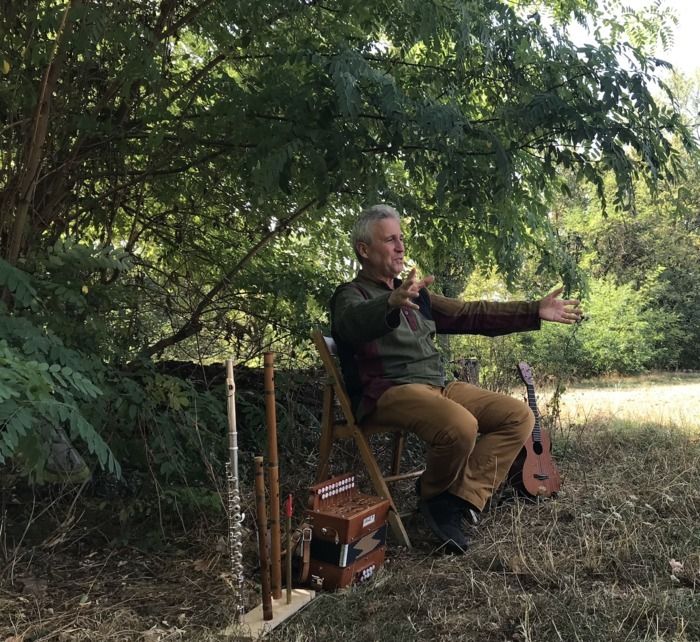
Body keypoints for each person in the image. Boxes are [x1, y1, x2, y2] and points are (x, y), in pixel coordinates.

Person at [330, 204, 582, 553]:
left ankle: (457, 500)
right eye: (390, 240)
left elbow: (469, 314)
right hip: (389, 391)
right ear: (364, 250)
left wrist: (533, 310)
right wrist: (389, 303)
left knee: (518, 416)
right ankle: (434, 495)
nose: (401, 246)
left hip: (440, 387)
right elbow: (349, 324)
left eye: (401, 238)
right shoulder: (350, 295)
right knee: (461, 425)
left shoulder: (419, 295)